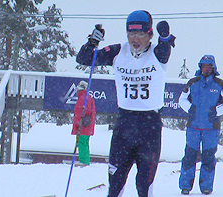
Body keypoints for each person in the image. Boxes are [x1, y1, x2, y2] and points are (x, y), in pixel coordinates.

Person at [76, 10, 176, 197]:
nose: (134, 39)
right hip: (124, 124)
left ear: (149, 34)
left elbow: (165, 49)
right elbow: (83, 59)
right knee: (115, 186)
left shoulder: (157, 53)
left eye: (140, 33)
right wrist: (91, 42)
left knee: (144, 188)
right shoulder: (118, 52)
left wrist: (165, 36)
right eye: (131, 33)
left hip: (149, 127)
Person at [178, 55, 223, 195]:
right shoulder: (193, 82)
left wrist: (215, 111)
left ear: (213, 68)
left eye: (209, 66)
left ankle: (206, 187)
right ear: (200, 67)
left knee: (208, 158)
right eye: (204, 66)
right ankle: (185, 186)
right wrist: (191, 109)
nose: (206, 69)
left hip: (211, 129)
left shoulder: (220, 84)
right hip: (193, 128)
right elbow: (182, 99)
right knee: (189, 156)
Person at [71, 80, 96, 166]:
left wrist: (77, 125)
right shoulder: (89, 98)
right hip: (87, 125)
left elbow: (79, 113)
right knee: (85, 143)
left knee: (81, 143)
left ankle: (84, 162)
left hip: (83, 126)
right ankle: (85, 160)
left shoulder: (82, 98)